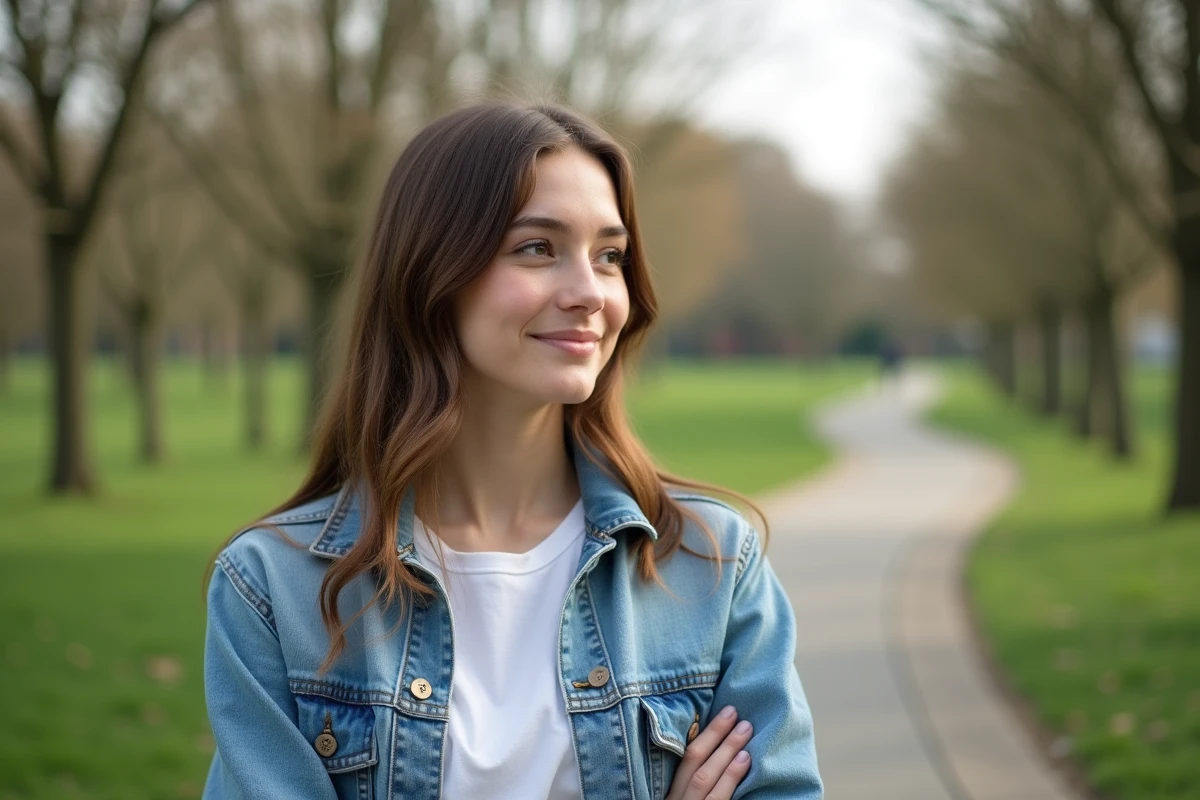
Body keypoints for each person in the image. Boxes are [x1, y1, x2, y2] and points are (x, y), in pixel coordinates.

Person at [201, 102, 823, 800]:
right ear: (431, 273)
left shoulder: (711, 566)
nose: (590, 293)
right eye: (537, 248)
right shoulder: (273, 588)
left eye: (609, 256)